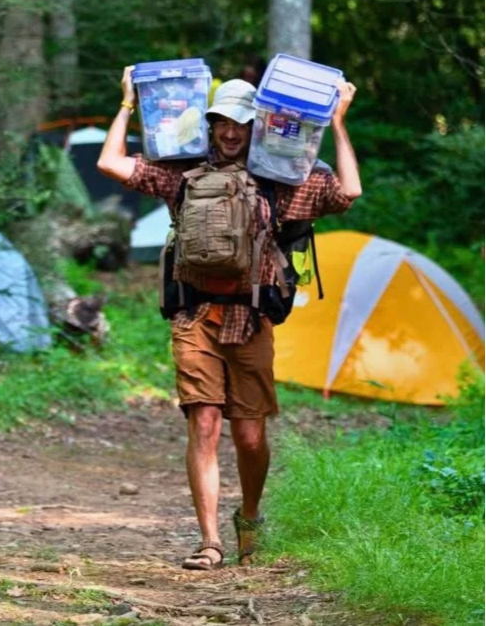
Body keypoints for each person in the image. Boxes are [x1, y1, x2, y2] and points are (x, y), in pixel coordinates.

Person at [97, 71, 361, 571]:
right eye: (221, 122)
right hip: (194, 315)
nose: (230, 132)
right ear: (209, 123)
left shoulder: (281, 181)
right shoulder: (185, 175)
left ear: (258, 125)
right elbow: (110, 163)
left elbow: (348, 190)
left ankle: (251, 515)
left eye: (240, 123)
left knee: (251, 437)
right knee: (204, 424)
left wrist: (338, 122)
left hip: (252, 316)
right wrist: (128, 104)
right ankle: (210, 541)